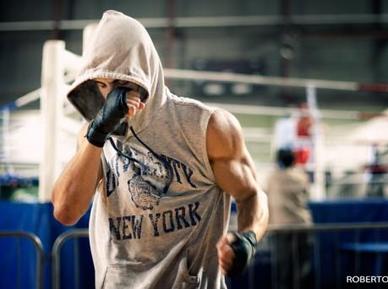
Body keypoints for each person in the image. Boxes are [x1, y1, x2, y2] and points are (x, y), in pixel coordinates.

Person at [51, 10, 268, 289]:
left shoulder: (206, 127)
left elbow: (251, 194)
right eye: (103, 85)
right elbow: (65, 211)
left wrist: (248, 238)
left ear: (146, 74)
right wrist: (97, 133)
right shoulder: (93, 135)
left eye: (122, 83)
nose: (111, 96)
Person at [265, 148, 313, 289]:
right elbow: (306, 194)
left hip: (281, 228)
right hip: (302, 226)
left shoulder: (272, 178)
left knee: (283, 269)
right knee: (301, 268)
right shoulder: (301, 176)